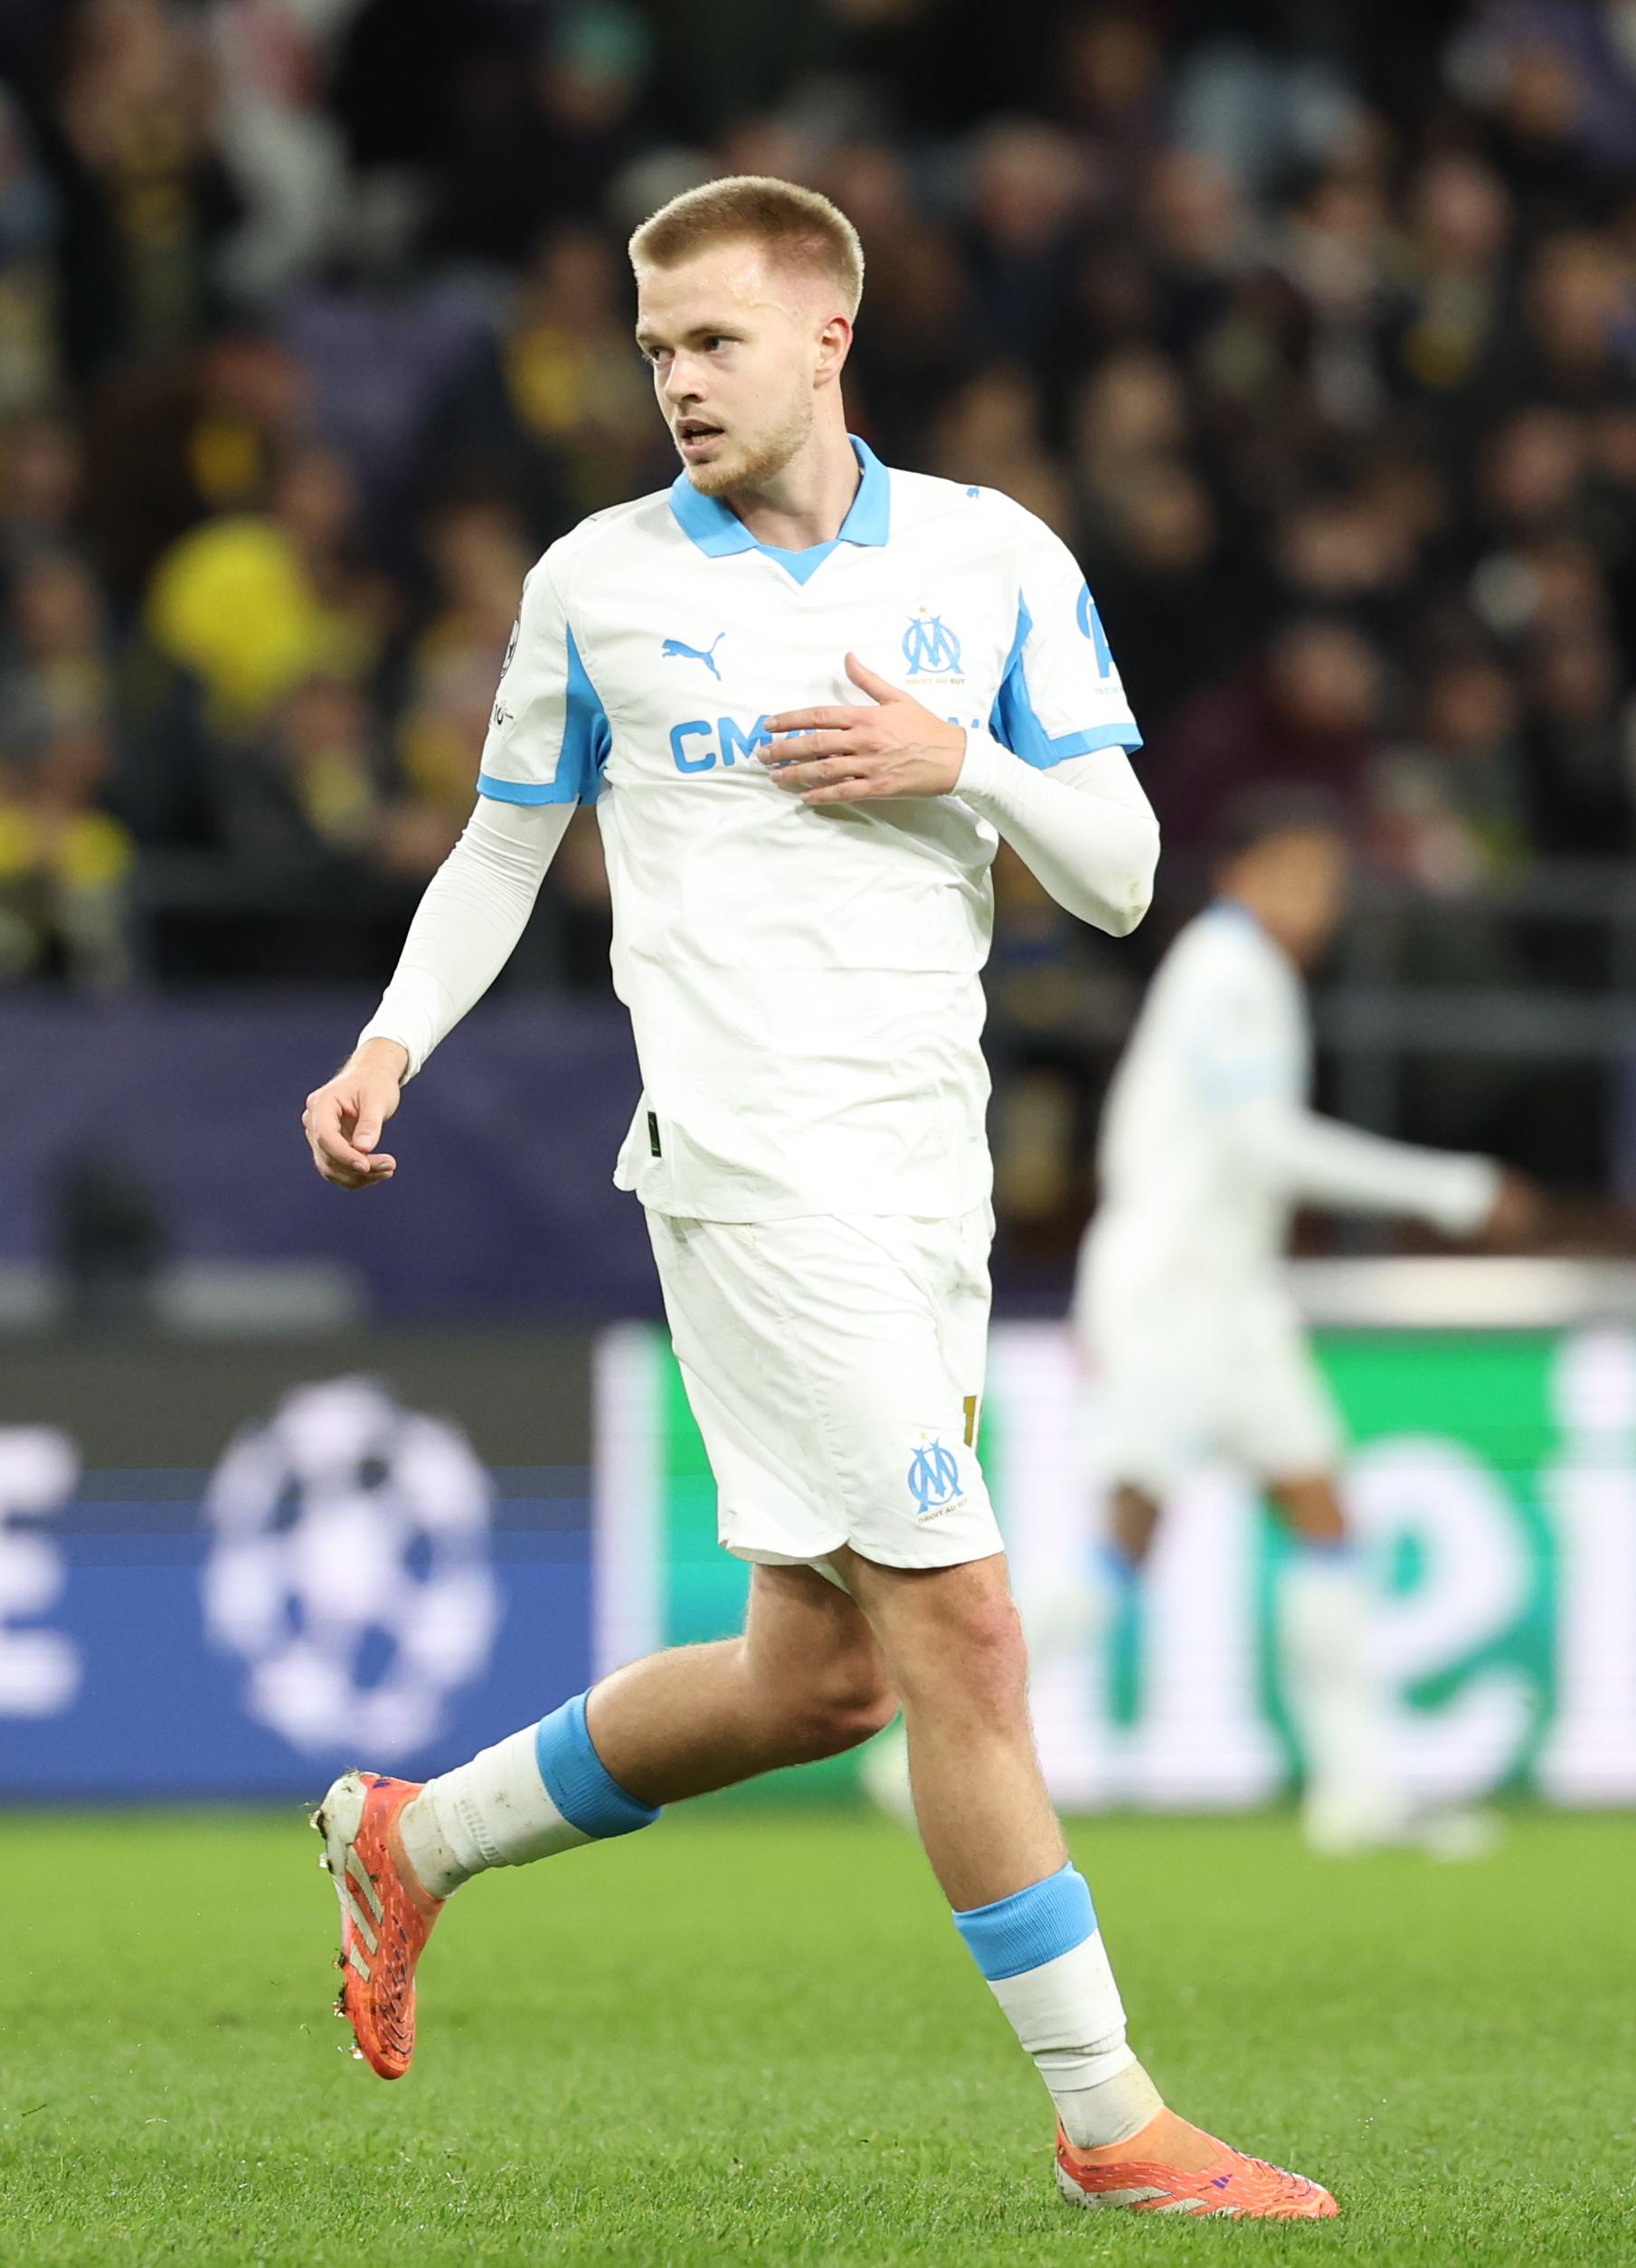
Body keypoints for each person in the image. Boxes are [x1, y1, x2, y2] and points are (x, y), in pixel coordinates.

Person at [299, 177, 1337, 2222]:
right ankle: (1110, 2117)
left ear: (825, 339)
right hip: (747, 1172)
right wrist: (391, 1039)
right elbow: (506, 846)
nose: (675, 381)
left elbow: (1122, 867)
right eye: (655, 348)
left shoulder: (989, 556)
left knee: (819, 1674)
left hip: (920, 1181)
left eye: (713, 342)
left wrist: (959, 756)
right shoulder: (596, 582)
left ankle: (405, 1842)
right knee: (959, 1621)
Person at [1055, 789, 1532, 1854]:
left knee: (1324, 1518)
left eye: (1327, 883)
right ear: (1239, 878)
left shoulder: (1247, 972)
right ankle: (923, 1741)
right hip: (1175, 1292)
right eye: (1297, 879)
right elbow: (1266, 1146)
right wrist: (1451, 1189)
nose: (1317, 905)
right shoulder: (1228, 970)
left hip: (1231, 1294)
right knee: (1128, 1533)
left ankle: (1357, 1793)